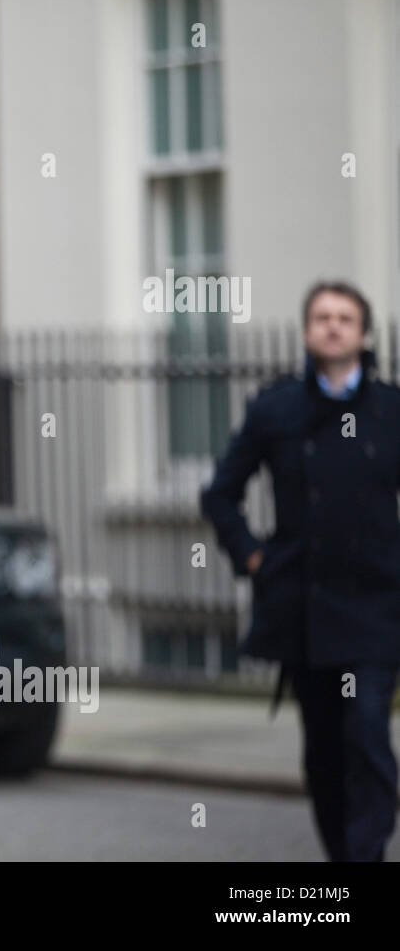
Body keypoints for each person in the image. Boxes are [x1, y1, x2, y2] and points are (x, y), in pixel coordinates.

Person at [200, 280, 400, 861]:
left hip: (375, 607)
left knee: (367, 735)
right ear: (307, 331)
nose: (333, 326)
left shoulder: (390, 409)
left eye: (345, 317)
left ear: (363, 333)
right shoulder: (277, 407)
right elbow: (219, 493)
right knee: (324, 753)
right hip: (305, 610)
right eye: (321, 317)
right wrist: (253, 556)